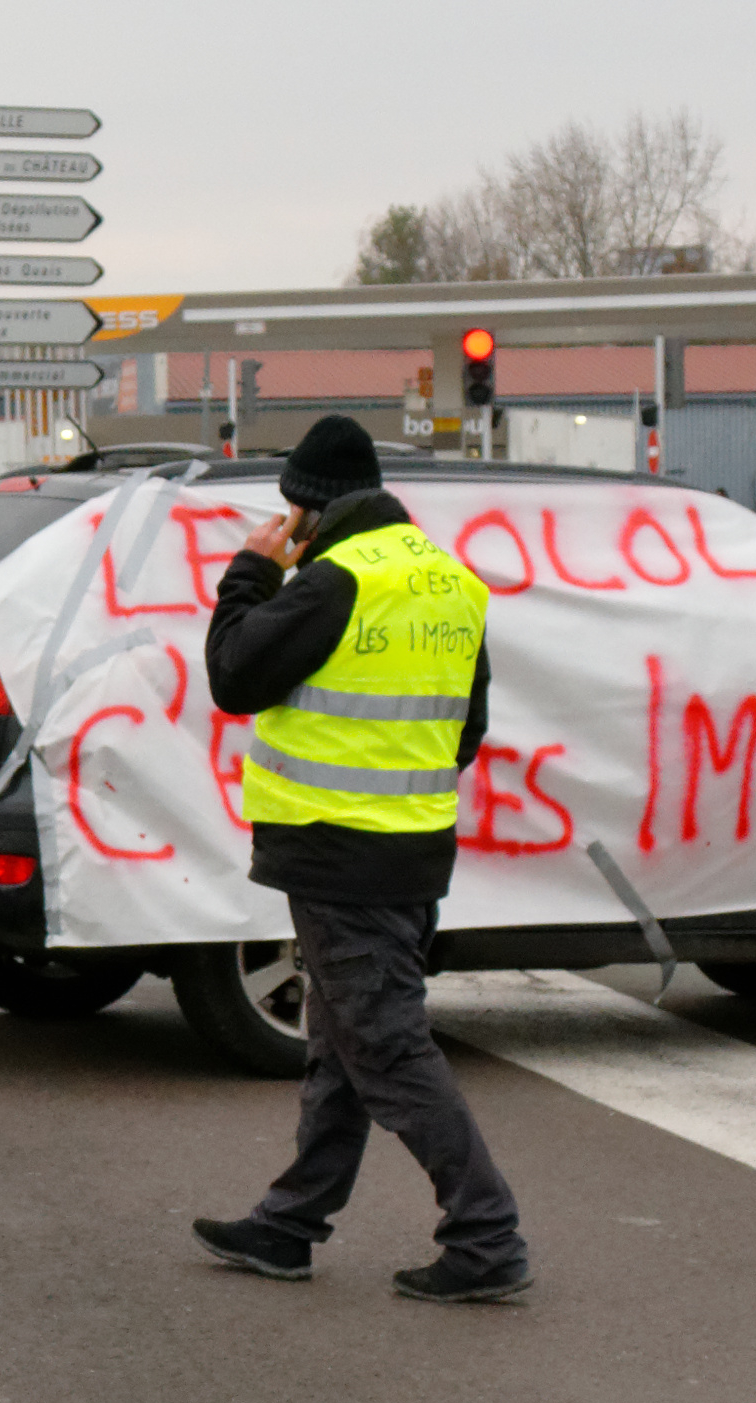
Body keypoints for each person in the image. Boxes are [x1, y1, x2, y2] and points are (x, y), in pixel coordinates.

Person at [186, 417, 529, 1305]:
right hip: (411, 851)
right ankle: (289, 1225)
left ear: (306, 509)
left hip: (339, 856)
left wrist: (250, 573)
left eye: (286, 516)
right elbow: (468, 733)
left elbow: (232, 677)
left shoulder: (334, 580)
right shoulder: (451, 582)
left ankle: (486, 1236)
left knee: (384, 1049)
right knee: (341, 1048)